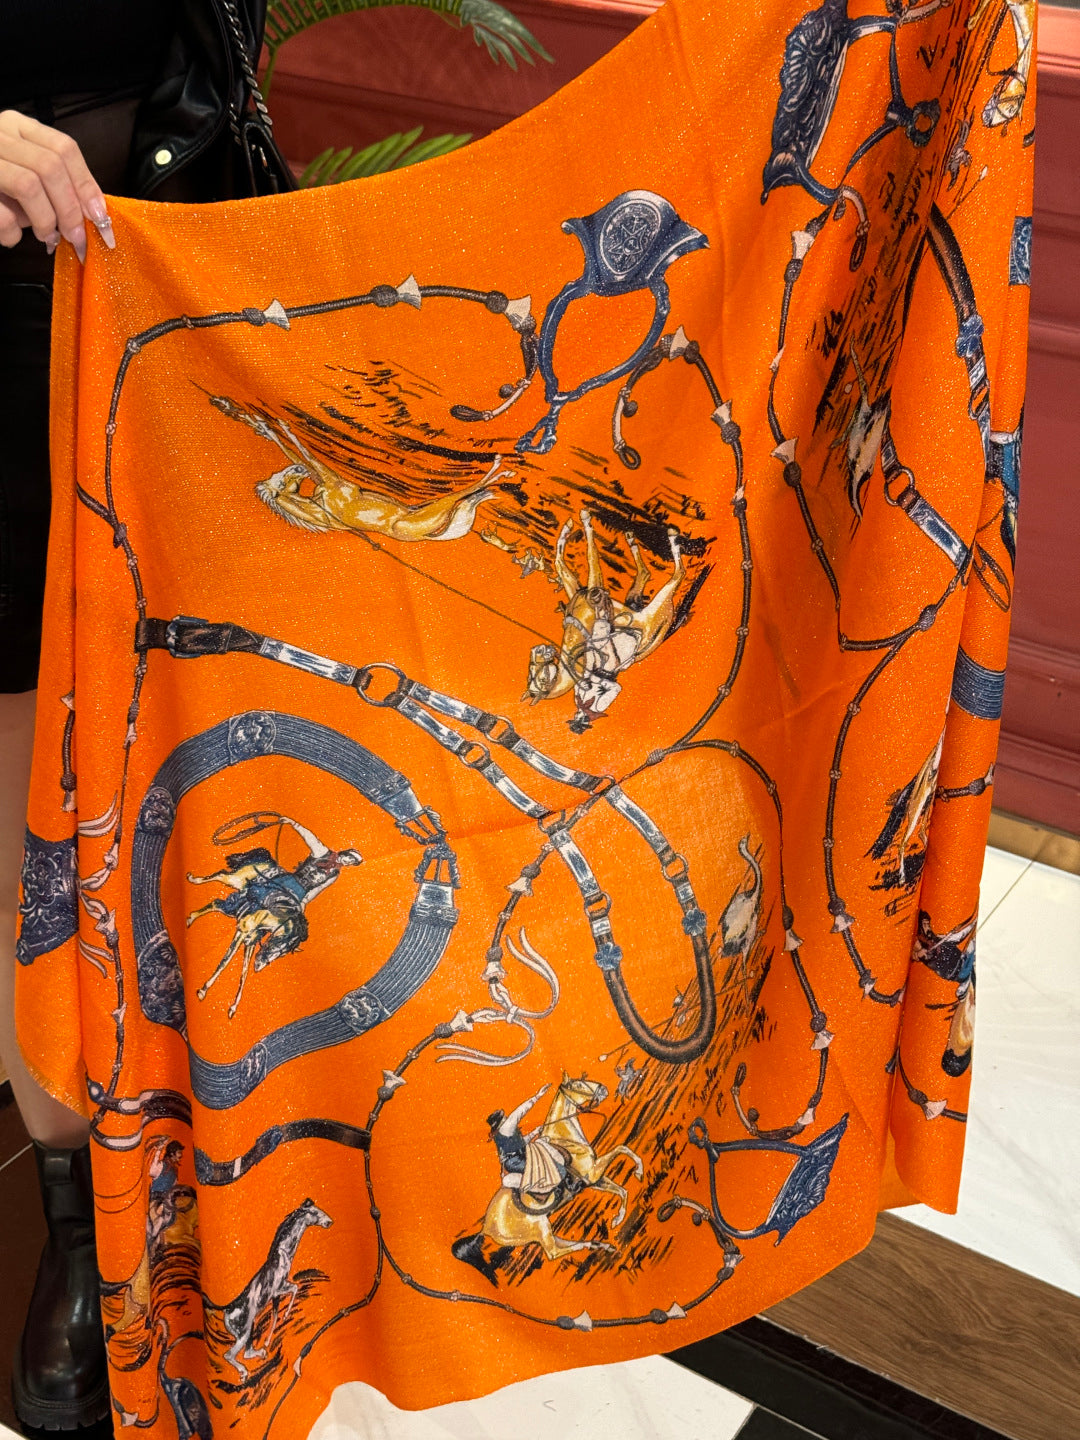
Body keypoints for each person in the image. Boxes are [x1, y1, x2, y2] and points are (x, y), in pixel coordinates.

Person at [0, 2, 292, 1428]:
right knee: (26, 807)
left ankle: (205, 1173)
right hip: (5, 286)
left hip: (178, 260)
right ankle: (79, 1222)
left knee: (199, 749)